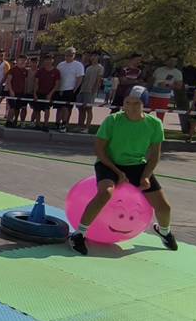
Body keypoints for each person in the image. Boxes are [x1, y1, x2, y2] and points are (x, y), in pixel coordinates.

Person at [69, 88, 177, 255]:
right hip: (109, 163)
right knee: (106, 193)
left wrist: (146, 176)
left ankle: (164, 232)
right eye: (127, 103)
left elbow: (155, 155)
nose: (131, 107)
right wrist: (118, 172)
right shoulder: (112, 120)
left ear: (144, 104)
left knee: (164, 207)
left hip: (137, 166)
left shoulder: (154, 124)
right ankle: (79, 234)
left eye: (136, 103)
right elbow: (99, 150)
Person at [53, 47, 85, 132]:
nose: (68, 57)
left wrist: (75, 89)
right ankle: (57, 123)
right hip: (60, 89)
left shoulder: (78, 65)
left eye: (71, 55)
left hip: (70, 89)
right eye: (67, 55)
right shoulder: (60, 65)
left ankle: (64, 124)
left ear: (74, 55)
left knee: (66, 108)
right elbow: (57, 77)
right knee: (59, 107)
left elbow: (80, 78)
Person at [147, 56, 183, 121]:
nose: (172, 63)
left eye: (175, 61)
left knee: (160, 115)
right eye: (171, 60)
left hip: (164, 97)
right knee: (145, 112)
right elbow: (151, 82)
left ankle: (158, 129)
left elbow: (179, 86)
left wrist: (167, 85)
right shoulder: (159, 70)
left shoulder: (177, 73)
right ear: (166, 61)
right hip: (152, 95)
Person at [77, 52, 104, 133]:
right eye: (92, 56)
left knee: (88, 108)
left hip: (91, 91)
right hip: (83, 89)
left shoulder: (100, 67)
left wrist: (94, 90)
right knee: (81, 108)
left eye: (95, 56)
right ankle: (80, 126)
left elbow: (99, 80)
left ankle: (87, 127)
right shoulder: (88, 68)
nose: (93, 57)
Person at [31, 54, 59, 131]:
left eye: (50, 59)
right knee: (37, 109)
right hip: (40, 92)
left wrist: (50, 94)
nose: (48, 61)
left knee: (47, 109)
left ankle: (45, 125)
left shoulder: (56, 71)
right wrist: (35, 94)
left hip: (49, 93)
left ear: (52, 60)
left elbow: (57, 84)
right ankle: (38, 124)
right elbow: (36, 83)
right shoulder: (40, 71)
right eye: (46, 60)